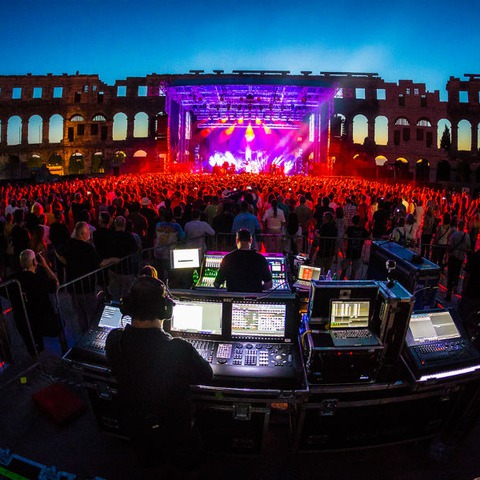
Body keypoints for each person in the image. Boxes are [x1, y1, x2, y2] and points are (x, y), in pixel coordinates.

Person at [105, 276, 213, 474]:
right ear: (166, 310)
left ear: (127, 307)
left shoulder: (114, 340)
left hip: (137, 426)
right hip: (176, 430)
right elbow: (206, 375)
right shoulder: (179, 348)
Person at [15, 249, 67, 356]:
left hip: (24, 321)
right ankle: (65, 350)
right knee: (60, 324)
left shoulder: (15, 279)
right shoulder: (38, 279)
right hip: (43, 318)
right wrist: (45, 265)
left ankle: (37, 360)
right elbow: (56, 283)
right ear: (35, 261)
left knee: (34, 347)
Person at [445, 220, 470, 302]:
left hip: (453, 256)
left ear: (458, 226)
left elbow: (450, 246)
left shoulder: (455, 235)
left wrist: (447, 256)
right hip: (460, 258)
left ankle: (448, 293)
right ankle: (455, 287)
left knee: (450, 274)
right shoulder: (467, 236)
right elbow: (468, 247)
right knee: (457, 273)